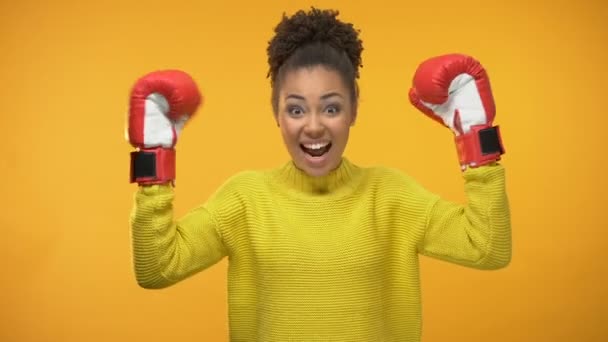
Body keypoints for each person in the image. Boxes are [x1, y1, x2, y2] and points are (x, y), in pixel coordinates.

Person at [127, 7, 511, 342]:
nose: (313, 127)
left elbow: (487, 247)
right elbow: (157, 267)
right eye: (296, 110)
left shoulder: (390, 195)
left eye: (331, 109)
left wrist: (476, 135)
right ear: (276, 112)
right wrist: (154, 158)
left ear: (354, 110)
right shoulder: (244, 200)